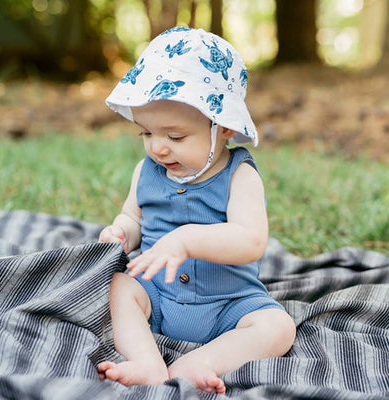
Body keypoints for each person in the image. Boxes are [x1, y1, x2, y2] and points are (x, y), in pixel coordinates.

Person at [97, 26, 296, 395]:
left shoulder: (240, 176)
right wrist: (121, 233)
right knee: (118, 287)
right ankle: (146, 361)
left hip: (228, 303)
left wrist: (187, 240)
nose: (158, 148)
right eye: (146, 133)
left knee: (278, 327)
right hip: (156, 294)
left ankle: (202, 362)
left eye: (175, 137)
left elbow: (251, 241)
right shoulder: (146, 172)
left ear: (221, 128)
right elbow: (134, 217)